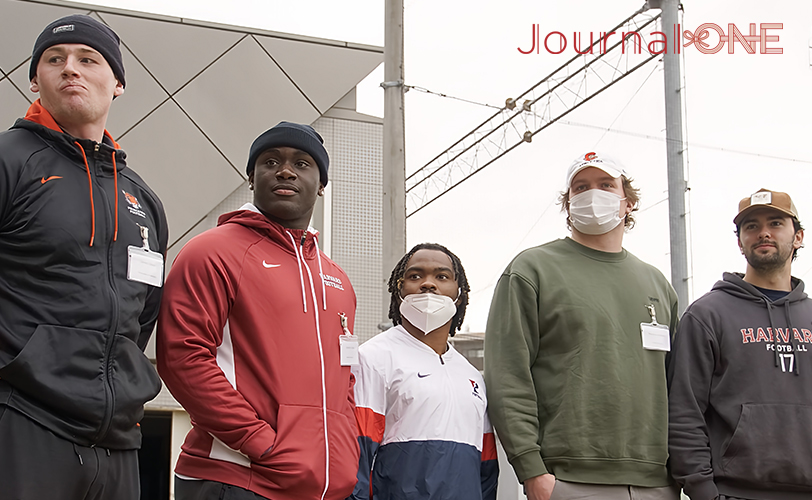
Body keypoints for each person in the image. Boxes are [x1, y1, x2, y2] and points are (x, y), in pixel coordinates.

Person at [0, 14, 168, 500]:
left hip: (116, 442)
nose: (70, 68)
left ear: (117, 83)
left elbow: (144, 312)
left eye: (87, 59)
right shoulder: (11, 160)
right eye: (54, 60)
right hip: (22, 421)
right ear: (35, 80)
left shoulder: (142, 198)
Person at [157, 121, 359, 500]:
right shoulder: (212, 251)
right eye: (270, 161)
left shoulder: (337, 279)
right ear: (251, 178)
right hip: (234, 477)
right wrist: (260, 442)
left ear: (321, 183)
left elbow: (344, 379)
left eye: (302, 163)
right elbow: (183, 357)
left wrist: (345, 456)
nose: (284, 170)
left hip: (322, 486)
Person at [484, 152, 680, 500]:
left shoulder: (657, 284)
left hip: (657, 480)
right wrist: (532, 470)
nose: (593, 195)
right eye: (581, 187)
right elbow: (507, 374)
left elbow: (677, 384)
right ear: (568, 203)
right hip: (568, 479)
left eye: (606, 185)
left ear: (628, 202)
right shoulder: (532, 270)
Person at [668, 188, 812, 500]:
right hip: (733, 491)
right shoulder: (707, 315)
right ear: (739, 241)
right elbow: (683, 412)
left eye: (775, 223)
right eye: (751, 226)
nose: (763, 233)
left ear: (798, 236)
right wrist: (703, 491)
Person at [349, 243, 498, 500]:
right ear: (399, 292)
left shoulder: (472, 375)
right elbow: (356, 456)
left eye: (442, 276)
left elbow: (486, 466)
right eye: (415, 276)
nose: (428, 284)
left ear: (459, 294)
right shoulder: (373, 357)